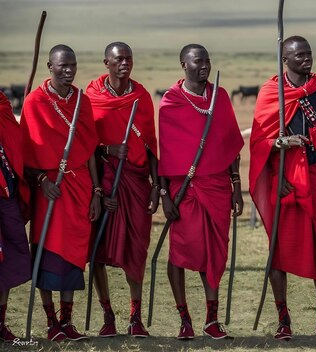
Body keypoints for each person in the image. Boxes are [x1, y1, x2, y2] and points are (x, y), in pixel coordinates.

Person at [250, 36, 316, 340]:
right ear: (285, 60)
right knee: (279, 251)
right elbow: (258, 143)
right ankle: (283, 320)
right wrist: (281, 143)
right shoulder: (270, 92)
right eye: (299, 55)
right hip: (284, 179)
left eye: (309, 53)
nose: (306, 59)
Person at [158, 44, 243, 340]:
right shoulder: (171, 101)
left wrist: (236, 186)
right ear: (184, 64)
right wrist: (165, 196)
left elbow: (231, 144)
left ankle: (211, 320)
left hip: (218, 187)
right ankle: (185, 319)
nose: (204, 65)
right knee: (180, 253)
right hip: (185, 191)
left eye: (207, 60)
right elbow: (165, 154)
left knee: (215, 254)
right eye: (198, 61)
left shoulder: (218, 96)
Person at [21, 44, 101, 341]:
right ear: (50, 67)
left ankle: (67, 322)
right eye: (62, 66)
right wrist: (42, 180)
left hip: (79, 187)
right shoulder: (35, 102)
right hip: (50, 190)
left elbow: (91, 148)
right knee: (47, 252)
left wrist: (95, 190)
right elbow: (26, 154)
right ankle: (51, 322)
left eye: (73, 65)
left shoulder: (83, 100)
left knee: (73, 255)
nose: (69, 71)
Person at [86, 42, 159, 338]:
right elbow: (85, 146)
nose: (124, 63)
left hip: (137, 183)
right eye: (118, 59)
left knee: (136, 251)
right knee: (97, 252)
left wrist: (157, 187)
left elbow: (152, 144)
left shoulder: (141, 97)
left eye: (128, 58)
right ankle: (107, 315)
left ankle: (135, 317)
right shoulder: (91, 97)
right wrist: (108, 150)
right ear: (106, 62)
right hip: (104, 184)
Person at [0, 91, 31, 342]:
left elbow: (14, 141)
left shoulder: (1, 104)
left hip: (6, 192)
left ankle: (1, 323)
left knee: (8, 257)